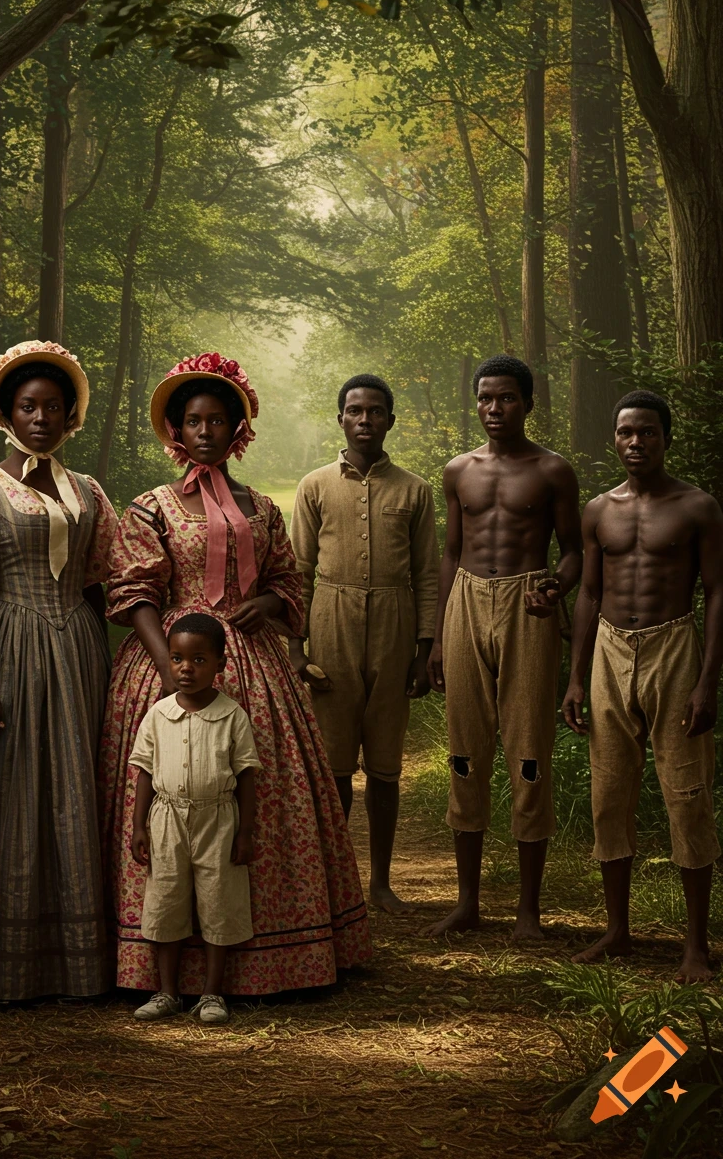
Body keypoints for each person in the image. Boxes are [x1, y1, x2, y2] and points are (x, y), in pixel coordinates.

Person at [98, 352, 371, 997]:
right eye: (193, 421)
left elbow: (287, 579)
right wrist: (166, 667)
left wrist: (268, 604)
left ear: (237, 429)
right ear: (176, 429)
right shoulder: (152, 507)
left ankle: (269, 959)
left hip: (251, 660)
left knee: (255, 789)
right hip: (172, 660)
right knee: (163, 798)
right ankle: (158, 966)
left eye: (218, 420)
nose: (205, 432)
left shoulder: (262, 509)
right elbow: (134, 592)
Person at [0, 341, 118, 1001]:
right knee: (11, 783)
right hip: (9, 642)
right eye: (28, 406)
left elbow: (97, 580)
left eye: (53, 407)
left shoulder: (87, 491)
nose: (41, 418)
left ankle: (78, 961)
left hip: (78, 645)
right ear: (6, 413)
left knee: (75, 782)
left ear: (70, 416)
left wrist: (108, 656)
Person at [562, 390, 722, 983]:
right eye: (626, 432)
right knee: (609, 791)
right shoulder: (599, 510)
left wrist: (707, 682)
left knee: (687, 792)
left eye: (648, 432)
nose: (636, 442)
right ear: (614, 439)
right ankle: (617, 931)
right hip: (609, 648)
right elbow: (589, 593)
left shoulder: (696, 507)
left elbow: (718, 592)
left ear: (666, 438)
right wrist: (576, 678)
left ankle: (696, 946)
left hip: (673, 646)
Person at [427, 354, 582, 939]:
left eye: (507, 398)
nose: (495, 408)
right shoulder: (458, 471)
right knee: (465, 751)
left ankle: (527, 912)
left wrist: (556, 586)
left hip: (527, 603)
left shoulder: (552, 470)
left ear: (528, 404)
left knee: (528, 751)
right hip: (466, 602)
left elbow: (574, 550)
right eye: (486, 398)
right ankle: (467, 903)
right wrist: (439, 635)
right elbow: (450, 553)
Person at [289, 374, 439, 913]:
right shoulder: (314, 486)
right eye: (355, 411)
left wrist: (424, 651)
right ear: (341, 419)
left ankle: (380, 881)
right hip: (332, 618)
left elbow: (427, 574)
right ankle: (337, 881)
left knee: (384, 764)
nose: (365, 420)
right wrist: (296, 648)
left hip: (395, 625)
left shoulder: (414, 490)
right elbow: (299, 571)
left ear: (390, 421)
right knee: (334, 766)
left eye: (375, 411)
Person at [130, 613, 260, 1025]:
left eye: (199, 660)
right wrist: (138, 826)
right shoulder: (158, 714)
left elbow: (246, 777)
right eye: (177, 659)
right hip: (166, 821)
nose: (186, 668)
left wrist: (245, 832)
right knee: (166, 902)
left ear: (221, 664)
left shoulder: (232, 715)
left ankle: (212, 994)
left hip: (218, 822)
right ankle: (167, 992)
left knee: (219, 903)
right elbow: (144, 772)